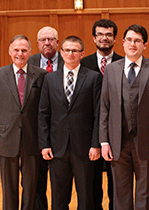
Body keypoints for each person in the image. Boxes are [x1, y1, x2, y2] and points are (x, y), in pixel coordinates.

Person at [99, 24, 149, 210]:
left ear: (144, 45)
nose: (132, 44)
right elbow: (104, 108)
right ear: (122, 43)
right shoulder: (111, 69)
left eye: (137, 41)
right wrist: (104, 141)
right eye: (129, 40)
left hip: (147, 140)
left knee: (145, 192)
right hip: (117, 141)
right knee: (120, 193)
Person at [38, 35, 102, 210]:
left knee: (86, 197)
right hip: (57, 148)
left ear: (82, 54)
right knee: (59, 198)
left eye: (75, 50)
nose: (71, 54)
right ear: (61, 52)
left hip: (84, 148)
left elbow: (99, 114)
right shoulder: (49, 79)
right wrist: (44, 144)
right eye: (67, 50)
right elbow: (43, 113)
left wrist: (96, 144)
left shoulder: (94, 78)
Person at [0, 34, 47, 210]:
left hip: (32, 138)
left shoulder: (41, 75)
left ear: (30, 52)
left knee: (30, 185)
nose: (20, 53)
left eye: (23, 50)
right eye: (16, 50)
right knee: (9, 186)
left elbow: (44, 109)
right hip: (6, 137)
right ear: (9, 52)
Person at [80, 19, 123, 210]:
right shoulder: (83, 64)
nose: (104, 38)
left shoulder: (124, 62)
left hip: (119, 129)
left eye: (108, 35)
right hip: (90, 131)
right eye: (100, 35)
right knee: (92, 181)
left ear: (114, 38)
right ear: (94, 38)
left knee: (117, 181)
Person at [28, 26, 65, 210]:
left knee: (60, 179)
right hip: (36, 130)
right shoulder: (29, 62)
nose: (47, 43)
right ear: (37, 43)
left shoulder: (69, 60)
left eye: (51, 39)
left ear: (58, 42)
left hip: (62, 130)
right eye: (43, 39)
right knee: (37, 178)